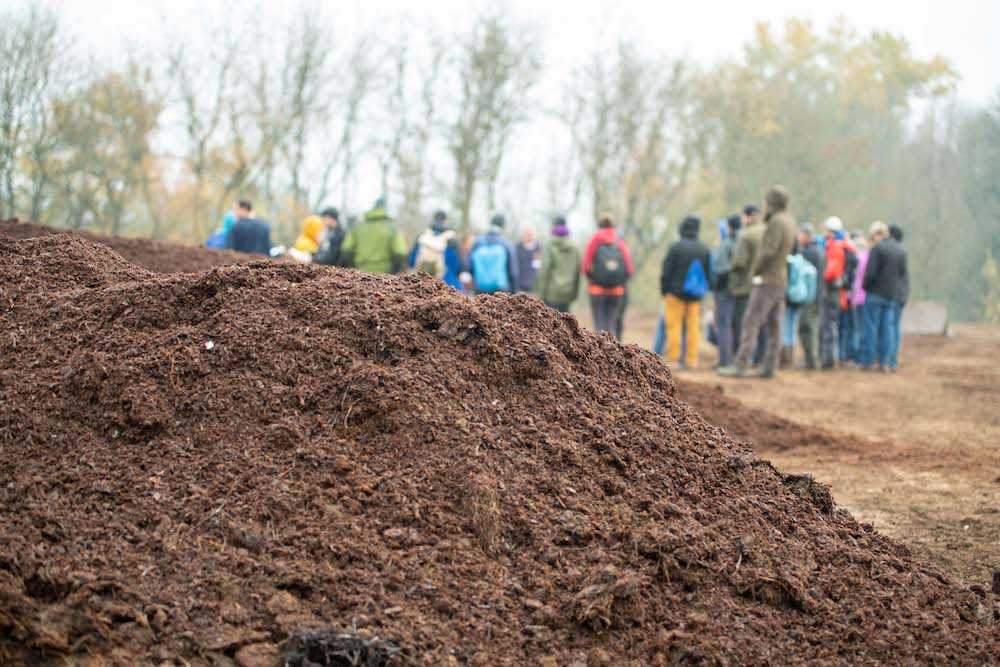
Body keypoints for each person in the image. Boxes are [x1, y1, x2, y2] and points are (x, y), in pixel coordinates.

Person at [719, 186, 797, 378]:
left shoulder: (777, 222)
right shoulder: (790, 221)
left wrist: (756, 271)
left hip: (767, 279)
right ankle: (770, 366)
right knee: (774, 325)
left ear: (771, 202)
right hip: (780, 278)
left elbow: (769, 251)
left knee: (751, 321)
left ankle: (741, 364)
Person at [660, 216, 712, 369]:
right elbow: (709, 273)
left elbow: (666, 271)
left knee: (673, 326)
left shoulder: (675, 247)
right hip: (696, 296)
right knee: (693, 328)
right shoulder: (704, 249)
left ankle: (674, 359)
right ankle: (691, 360)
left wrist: (665, 291)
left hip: (675, 295)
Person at [863, 220, 908, 372]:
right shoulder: (901, 251)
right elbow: (902, 274)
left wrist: (865, 286)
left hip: (875, 294)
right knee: (887, 329)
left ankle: (869, 361)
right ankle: (885, 362)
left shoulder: (878, 249)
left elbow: (870, 273)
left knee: (871, 328)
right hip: (891, 296)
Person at [582, 216, 633, 339]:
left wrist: (592, 279)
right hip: (616, 291)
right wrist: (620, 282)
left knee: (599, 325)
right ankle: (613, 352)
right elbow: (630, 269)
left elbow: (585, 266)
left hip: (597, 290)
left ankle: (599, 354)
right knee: (612, 325)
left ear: (599, 226)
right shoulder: (619, 241)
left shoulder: (595, 240)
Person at [727, 204, 765, 364]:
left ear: (748, 216)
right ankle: (759, 358)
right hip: (764, 285)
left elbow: (739, 263)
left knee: (741, 323)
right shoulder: (767, 231)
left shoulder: (746, 235)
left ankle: (741, 358)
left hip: (744, 287)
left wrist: (732, 284)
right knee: (760, 323)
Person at [340, 199, 408, 274]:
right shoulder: (392, 228)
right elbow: (400, 252)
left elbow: (346, 249)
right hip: (385, 275)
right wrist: (394, 270)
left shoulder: (358, 227)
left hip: (360, 273)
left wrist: (353, 266)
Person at [819, 216, 849, 369]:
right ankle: (829, 358)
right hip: (836, 291)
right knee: (831, 325)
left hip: (831, 291)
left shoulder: (835, 247)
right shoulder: (841, 245)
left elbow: (832, 272)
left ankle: (829, 360)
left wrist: (821, 276)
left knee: (829, 325)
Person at [712, 214, 742, 367]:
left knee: (723, 324)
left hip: (724, 289)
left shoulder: (727, 244)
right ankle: (735, 358)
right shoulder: (741, 242)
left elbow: (721, 269)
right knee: (735, 323)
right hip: (740, 289)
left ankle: (725, 360)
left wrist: (716, 288)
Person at [535, 216, 581, 312]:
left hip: (551, 293)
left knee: (550, 324)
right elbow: (577, 272)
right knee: (564, 324)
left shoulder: (549, 246)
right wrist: (574, 294)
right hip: (567, 293)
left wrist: (541, 294)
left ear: (554, 226)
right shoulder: (574, 248)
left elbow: (545, 270)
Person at [409, 210, 463, 289]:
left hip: (420, 284)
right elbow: (458, 265)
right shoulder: (452, 239)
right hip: (446, 284)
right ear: (445, 220)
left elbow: (411, 261)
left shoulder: (422, 236)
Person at [795, 223, 825, 369]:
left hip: (810, 297)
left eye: (800, 234)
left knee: (806, 327)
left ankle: (810, 360)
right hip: (818, 295)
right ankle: (813, 358)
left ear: (807, 236)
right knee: (812, 327)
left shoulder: (809, 252)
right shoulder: (819, 250)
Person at [468, 214, 518, 294]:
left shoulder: (478, 242)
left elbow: (469, 266)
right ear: (503, 226)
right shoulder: (506, 244)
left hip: (480, 289)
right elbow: (513, 272)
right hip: (501, 291)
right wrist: (514, 292)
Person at [847, 231, 870, 365]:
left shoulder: (858, 260)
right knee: (863, 328)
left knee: (857, 329)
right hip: (866, 297)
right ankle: (862, 356)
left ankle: (856, 356)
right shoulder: (868, 257)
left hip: (858, 297)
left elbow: (856, 282)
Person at [889, 224, 908, 368]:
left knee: (891, 327)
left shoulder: (894, 252)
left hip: (894, 295)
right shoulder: (902, 252)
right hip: (901, 295)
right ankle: (893, 360)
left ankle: (890, 358)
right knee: (895, 327)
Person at [515, 225, 542, 293]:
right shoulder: (517, 247)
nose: (529, 236)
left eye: (531, 234)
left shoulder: (538, 248)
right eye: (527, 234)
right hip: (519, 284)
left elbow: (538, 266)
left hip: (533, 284)